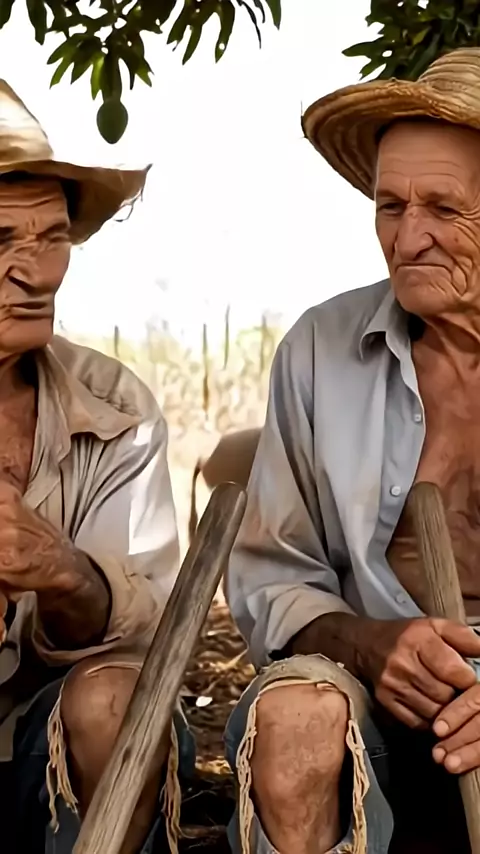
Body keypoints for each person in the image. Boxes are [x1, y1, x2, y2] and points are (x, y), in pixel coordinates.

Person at [224, 47, 480, 854]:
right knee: (296, 720)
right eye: (389, 206)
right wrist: (370, 645)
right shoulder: (319, 349)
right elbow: (273, 578)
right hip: (364, 687)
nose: (408, 238)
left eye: (443, 208)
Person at [0, 80, 192, 853]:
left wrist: (64, 572)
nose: (39, 274)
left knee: (114, 699)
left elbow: (143, 632)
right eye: (1, 241)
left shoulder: (116, 407)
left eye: (53, 238)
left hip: (40, 760)